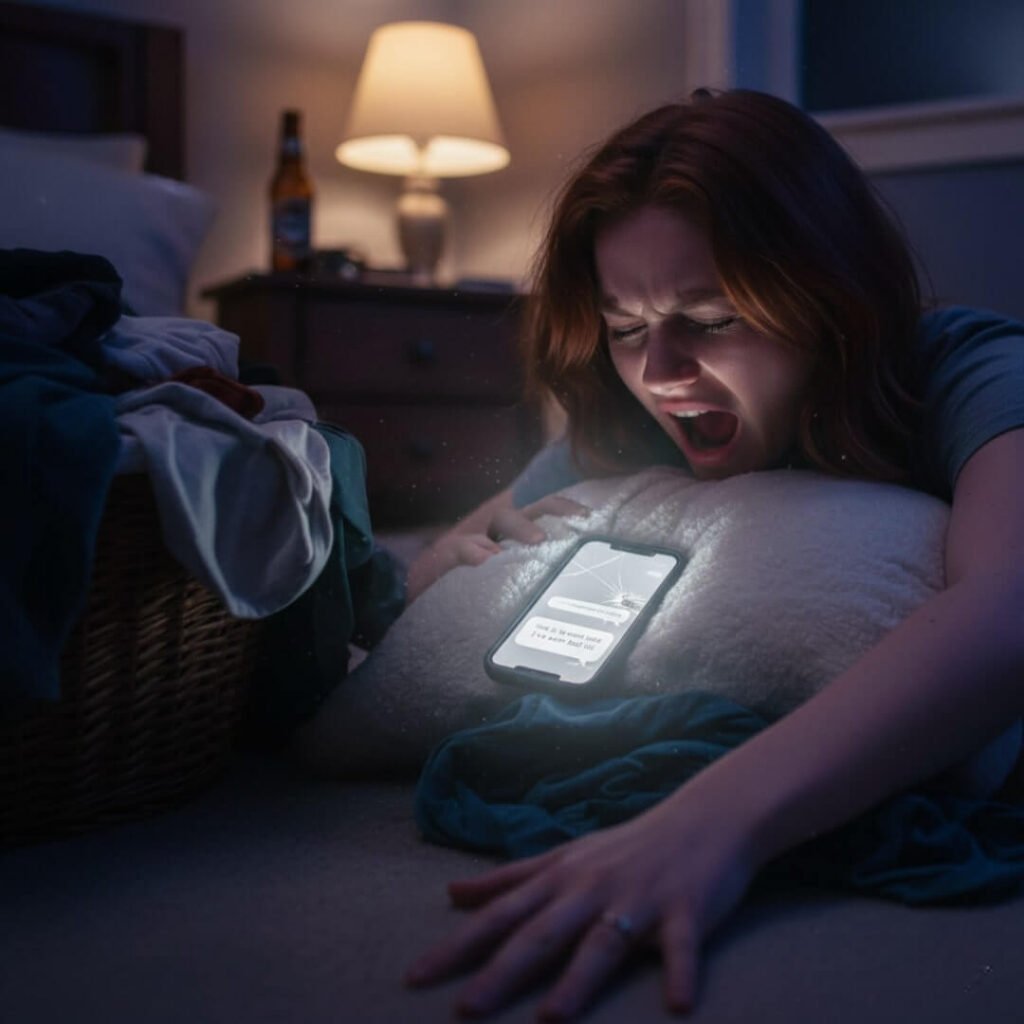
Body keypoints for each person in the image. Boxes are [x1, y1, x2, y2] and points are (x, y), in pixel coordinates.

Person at [402, 89, 1024, 1019]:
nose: (659, 372)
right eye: (625, 329)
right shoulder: (636, 425)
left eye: (714, 317)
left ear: (828, 298)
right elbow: (455, 546)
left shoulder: (964, 368)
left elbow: (1007, 608)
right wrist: (445, 563)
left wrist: (708, 826)